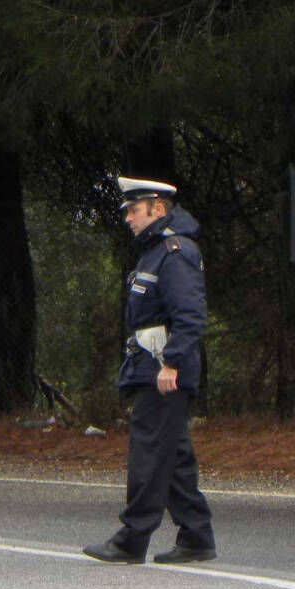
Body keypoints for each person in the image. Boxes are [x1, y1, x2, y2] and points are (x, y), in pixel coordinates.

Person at [83, 176, 216, 565]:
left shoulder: (175, 253)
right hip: (149, 365)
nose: (128, 218)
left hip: (163, 369)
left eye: (133, 210)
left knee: (148, 454)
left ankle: (131, 539)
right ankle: (196, 535)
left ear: (157, 209)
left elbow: (190, 315)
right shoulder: (155, 252)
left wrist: (172, 362)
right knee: (171, 455)